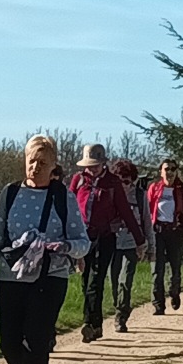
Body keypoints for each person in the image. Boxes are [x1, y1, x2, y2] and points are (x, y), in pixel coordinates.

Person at [0, 135, 90, 364]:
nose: (35, 167)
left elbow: (83, 242)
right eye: (31, 161)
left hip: (50, 278)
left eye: (42, 162)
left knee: (36, 342)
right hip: (11, 277)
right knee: (8, 342)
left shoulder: (63, 197)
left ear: (54, 165)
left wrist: (64, 247)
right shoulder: (10, 193)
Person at [66, 143, 143, 343]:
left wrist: (139, 240)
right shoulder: (78, 180)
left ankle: (89, 323)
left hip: (105, 237)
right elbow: (68, 207)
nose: (91, 169)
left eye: (95, 165)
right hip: (82, 237)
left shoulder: (112, 182)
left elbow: (125, 211)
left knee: (96, 280)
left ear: (103, 163)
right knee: (85, 280)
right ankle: (96, 324)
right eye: (89, 165)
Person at [146, 158, 183, 314]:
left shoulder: (182, 190)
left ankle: (174, 292)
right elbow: (147, 211)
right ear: (161, 171)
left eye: (173, 169)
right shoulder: (154, 188)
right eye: (166, 169)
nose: (170, 172)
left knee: (175, 267)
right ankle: (158, 304)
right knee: (157, 269)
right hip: (157, 231)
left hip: (175, 232)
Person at [106, 158, 149, 332]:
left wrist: (147, 246)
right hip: (112, 243)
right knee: (113, 281)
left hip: (131, 244)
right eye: (121, 181)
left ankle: (121, 315)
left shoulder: (139, 196)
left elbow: (147, 222)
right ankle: (120, 305)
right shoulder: (108, 195)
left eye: (128, 181)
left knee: (125, 280)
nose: (124, 185)